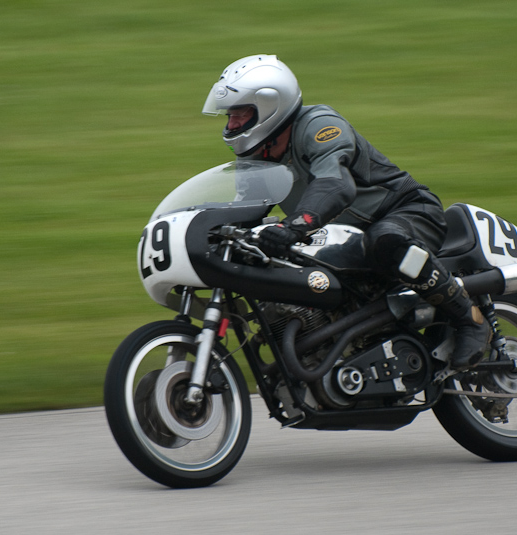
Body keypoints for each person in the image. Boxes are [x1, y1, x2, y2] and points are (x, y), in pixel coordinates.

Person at [202, 54, 491, 369]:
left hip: (408, 212)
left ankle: (470, 320)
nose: (231, 125)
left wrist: (293, 227)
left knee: (386, 240)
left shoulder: (320, 126)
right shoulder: (259, 159)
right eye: (230, 116)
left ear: (271, 105)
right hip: (347, 238)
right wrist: (207, 235)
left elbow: (336, 186)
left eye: (240, 114)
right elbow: (245, 211)